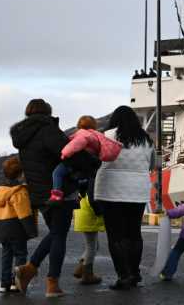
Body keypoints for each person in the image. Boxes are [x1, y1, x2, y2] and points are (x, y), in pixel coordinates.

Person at [11, 99, 94, 297]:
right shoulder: (48, 130)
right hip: (59, 192)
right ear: (47, 113)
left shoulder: (22, 137)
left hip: (38, 193)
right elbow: (70, 154)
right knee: (59, 236)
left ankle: (29, 270)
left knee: (56, 233)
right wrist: (92, 163)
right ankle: (51, 283)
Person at [94, 105, 154, 290]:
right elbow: (151, 165)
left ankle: (124, 275)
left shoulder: (107, 135)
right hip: (138, 191)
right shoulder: (146, 139)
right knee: (134, 233)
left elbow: (96, 159)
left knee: (116, 235)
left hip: (111, 190)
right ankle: (135, 273)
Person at [65, 115, 120, 285]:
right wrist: (99, 211)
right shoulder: (91, 164)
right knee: (92, 246)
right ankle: (86, 273)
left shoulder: (76, 157)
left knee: (92, 245)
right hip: (89, 209)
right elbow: (92, 191)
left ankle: (82, 268)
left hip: (80, 207)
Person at [49, 115, 122, 203]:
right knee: (79, 177)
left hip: (76, 161)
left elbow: (75, 145)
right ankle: (82, 185)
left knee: (57, 173)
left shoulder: (83, 134)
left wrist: (64, 153)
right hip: (88, 164)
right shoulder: (97, 135)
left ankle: (56, 195)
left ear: (79, 125)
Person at [0, 156, 37, 293]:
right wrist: (31, 230)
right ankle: (16, 283)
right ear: (21, 174)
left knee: (6, 255)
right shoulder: (19, 192)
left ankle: (4, 283)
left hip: (2, 228)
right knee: (20, 254)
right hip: (16, 227)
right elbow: (23, 212)